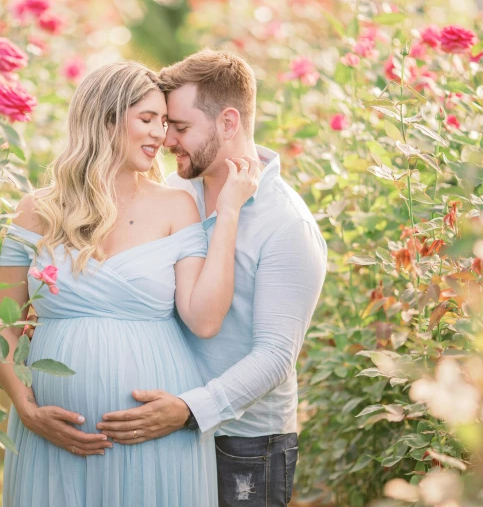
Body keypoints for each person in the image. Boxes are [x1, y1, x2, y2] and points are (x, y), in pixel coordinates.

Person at [0, 61, 259, 507]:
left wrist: (228, 211)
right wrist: (27, 409)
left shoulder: (176, 206)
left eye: (166, 122)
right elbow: (0, 326)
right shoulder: (36, 210)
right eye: (147, 119)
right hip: (52, 441)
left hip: (153, 440)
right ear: (106, 119)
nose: (161, 135)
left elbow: (205, 319)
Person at [96, 50, 328, 506]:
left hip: (244, 443)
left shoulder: (286, 224)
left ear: (227, 123)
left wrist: (188, 410)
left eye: (179, 128)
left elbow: (276, 355)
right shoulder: (172, 194)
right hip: (162, 430)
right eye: (164, 125)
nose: (166, 140)